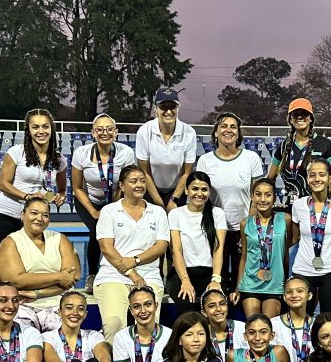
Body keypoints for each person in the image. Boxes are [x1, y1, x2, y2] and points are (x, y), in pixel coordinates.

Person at [94, 166, 170, 341]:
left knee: (149, 324)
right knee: (114, 324)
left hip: (148, 276)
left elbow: (161, 246)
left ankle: (148, 358)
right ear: (122, 185)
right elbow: (106, 248)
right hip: (113, 276)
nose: (139, 185)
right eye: (133, 181)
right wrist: (131, 272)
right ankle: (114, 360)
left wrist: (136, 260)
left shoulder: (157, 212)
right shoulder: (109, 211)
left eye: (142, 181)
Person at [71, 113, 138, 292]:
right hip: (87, 200)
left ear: (116, 132)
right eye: (99, 129)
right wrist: (94, 212)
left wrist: (111, 208)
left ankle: (121, 271)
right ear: (93, 133)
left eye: (109, 129)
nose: (104, 133)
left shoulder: (126, 152)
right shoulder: (81, 153)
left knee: (120, 232)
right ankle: (92, 275)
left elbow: (124, 184)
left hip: (116, 198)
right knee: (97, 231)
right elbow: (77, 187)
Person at [196, 112, 264, 286]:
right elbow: (201, 196)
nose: (228, 130)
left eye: (233, 127)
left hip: (242, 228)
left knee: (243, 280)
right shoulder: (205, 160)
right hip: (216, 229)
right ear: (215, 132)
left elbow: (257, 196)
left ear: (238, 133)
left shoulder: (251, 158)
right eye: (223, 126)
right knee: (219, 278)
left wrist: (247, 227)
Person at [0, 108, 68, 246]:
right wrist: (27, 196)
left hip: (34, 219)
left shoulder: (59, 159)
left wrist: (58, 197)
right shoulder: (16, 152)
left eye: (45, 126)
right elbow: (3, 184)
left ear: (51, 128)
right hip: (6, 214)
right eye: (35, 127)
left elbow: (61, 190)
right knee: (9, 256)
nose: (41, 131)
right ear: (28, 130)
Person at [0, 195, 81, 314]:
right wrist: (59, 277)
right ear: (22, 215)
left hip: (61, 305)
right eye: (34, 213)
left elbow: (72, 278)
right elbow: (15, 281)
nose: (40, 219)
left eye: (45, 215)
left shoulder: (60, 239)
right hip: (24, 305)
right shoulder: (10, 242)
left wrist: (37, 293)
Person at [290, 158, 331, 315]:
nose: (317, 179)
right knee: (301, 320)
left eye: (322, 174)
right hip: (303, 270)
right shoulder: (298, 205)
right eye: (312, 175)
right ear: (307, 179)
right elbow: (294, 238)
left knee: (329, 320)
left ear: (330, 178)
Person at [167, 171, 227, 314]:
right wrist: (185, 280)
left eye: (204, 189)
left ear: (209, 192)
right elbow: (176, 251)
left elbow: (218, 249)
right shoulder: (175, 214)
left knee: (215, 307)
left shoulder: (217, 213)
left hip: (210, 273)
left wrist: (216, 279)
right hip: (181, 273)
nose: (199, 194)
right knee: (187, 309)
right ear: (186, 190)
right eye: (195, 189)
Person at [268, 97, 331, 209]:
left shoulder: (325, 144)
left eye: (304, 114)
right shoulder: (283, 146)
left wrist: (330, 207)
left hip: (318, 209)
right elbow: (269, 179)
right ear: (290, 120)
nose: (300, 117)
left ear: (311, 118)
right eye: (295, 114)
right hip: (291, 208)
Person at [233, 177, 288, 318]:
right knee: (253, 325)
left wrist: (285, 281)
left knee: (267, 326)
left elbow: (285, 253)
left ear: (274, 197)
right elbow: (244, 257)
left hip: (274, 283)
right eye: (258, 194)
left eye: (268, 195)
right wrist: (238, 287)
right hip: (250, 282)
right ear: (252, 197)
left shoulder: (285, 219)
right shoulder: (245, 223)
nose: (263, 199)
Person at [135, 87, 197, 211]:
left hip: (177, 191)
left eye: (172, 107)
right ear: (156, 109)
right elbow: (144, 172)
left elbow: (186, 172)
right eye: (163, 107)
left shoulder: (189, 132)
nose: (168, 111)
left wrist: (173, 200)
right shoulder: (144, 131)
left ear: (178, 108)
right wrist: (158, 202)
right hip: (151, 189)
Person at [272, 276, 315, 362]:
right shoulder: (273, 325)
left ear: (309, 295)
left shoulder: (318, 325)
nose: (294, 295)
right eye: (289, 292)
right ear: (284, 297)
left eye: (300, 291)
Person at [200, 287, 246, 362]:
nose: (218, 309)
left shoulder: (242, 328)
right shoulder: (201, 335)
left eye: (222, 304)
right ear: (204, 313)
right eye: (212, 306)